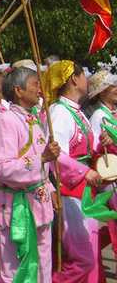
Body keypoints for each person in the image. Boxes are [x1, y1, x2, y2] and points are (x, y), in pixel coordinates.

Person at [0, 67, 60, 282]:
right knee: (14, 272)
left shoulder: (33, 120)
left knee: (43, 266)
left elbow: (43, 166)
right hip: (15, 208)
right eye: (35, 84)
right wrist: (43, 159)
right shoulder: (6, 122)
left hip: (40, 204)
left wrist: (52, 188)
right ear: (18, 90)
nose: (40, 89)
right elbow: (2, 168)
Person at [47, 61, 103, 283]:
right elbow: (55, 155)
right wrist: (84, 171)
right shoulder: (60, 112)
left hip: (83, 190)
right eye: (84, 76)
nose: (87, 81)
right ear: (73, 79)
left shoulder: (75, 111)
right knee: (83, 258)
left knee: (89, 252)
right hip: (69, 191)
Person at [87, 69, 117, 254]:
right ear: (103, 91)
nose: (116, 88)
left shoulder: (111, 113)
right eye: (112, 86)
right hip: (110, 176)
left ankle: (92, 248)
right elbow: (95, 148)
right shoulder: (99, 116)